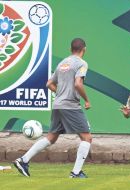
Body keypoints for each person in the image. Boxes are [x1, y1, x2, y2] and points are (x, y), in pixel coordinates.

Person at [13, 38, 92, 178]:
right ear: (84, 49)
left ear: (70, 49)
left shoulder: (62, 63)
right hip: (70, 106)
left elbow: (49, 83)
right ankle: (76, 172)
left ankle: (23, 160)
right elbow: (78, 84)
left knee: (51, 137)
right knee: (87, 138)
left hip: (58, 105)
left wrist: (61, 93)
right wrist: (86, 100)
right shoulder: (82, 63)